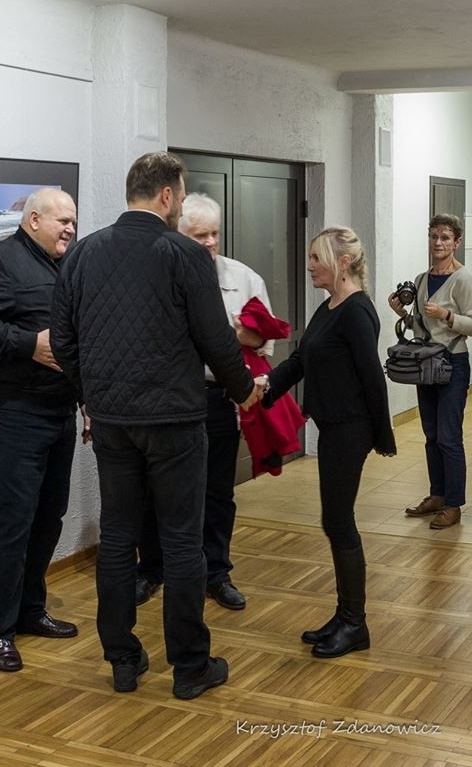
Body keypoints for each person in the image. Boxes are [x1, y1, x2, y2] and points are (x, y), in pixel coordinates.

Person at [50, 152, 259, 700]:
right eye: (183, 196)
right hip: (174, 419)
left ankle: (122, 658)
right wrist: (244, 392)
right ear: (167, 196)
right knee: (182, 540)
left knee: (118, 538)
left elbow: (64, 340)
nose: (182, 205)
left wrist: (89, 395)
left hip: (113, 421)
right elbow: (216, 339)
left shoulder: (84, 253)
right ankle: (190, 666)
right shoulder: (185, 254)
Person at [0, 188, 80, 673]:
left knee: (49, 516)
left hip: (57, 408)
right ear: (33, 219)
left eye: (73, 221)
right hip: (12, 411)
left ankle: (29, 610)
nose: (69, 228)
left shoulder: (63, 265)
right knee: (12, 521)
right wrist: (27, 344)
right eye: (62, 220)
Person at [256, 226, 396, 659]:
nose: (310, 266)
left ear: (344, 263)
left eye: (316, 259)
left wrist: (382, 435)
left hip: (349, 429)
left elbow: (373, 378)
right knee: (334, 521)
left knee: (338, 521)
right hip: (333, 426)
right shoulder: (330, 306)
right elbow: (300, 359)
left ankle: (355, 624)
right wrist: (266, 385)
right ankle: (344, 616)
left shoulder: (356, 311)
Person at [136, 192, 274, 611]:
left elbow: (264, 341)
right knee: (155, 489)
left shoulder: (244, 278)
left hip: (217, 397)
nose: (210, 243)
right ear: (179, 235)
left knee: (217, 492)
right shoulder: (154, 275)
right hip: (167, 397)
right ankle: (152, 568)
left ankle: (216, 572)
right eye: (199, 236)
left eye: (215, 234)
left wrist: (226, 333)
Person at [389, 213, 472, 529]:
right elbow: (421, 328)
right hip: (425, 365)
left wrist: (448, 316)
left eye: (445, 238)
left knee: (449, 437)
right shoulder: (422, 279)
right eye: (434, 236)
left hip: (453, 364)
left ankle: (453, 505)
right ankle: (437, 495)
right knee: (432, 435)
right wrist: (402, 314)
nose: (438, 242)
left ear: (457, 242)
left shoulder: (464, 280)